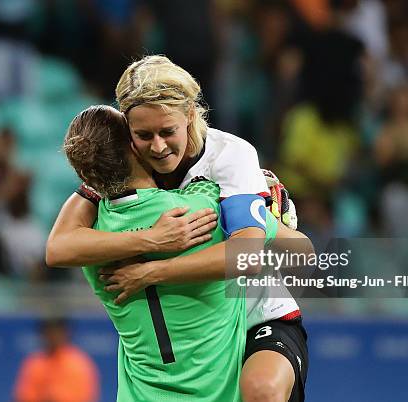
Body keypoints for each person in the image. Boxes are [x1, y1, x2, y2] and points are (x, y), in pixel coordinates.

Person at [47, 55, 308, 402]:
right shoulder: (127, 163)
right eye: (143, 134)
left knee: (261, 391)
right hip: (198, 339)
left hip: (256, 314)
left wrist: (154, 271)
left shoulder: (229, 157)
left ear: (189, 115)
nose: (158, 146)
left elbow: (248, 256)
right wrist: (151, 238)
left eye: (168, 131)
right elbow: (57, 248)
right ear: (127, 131)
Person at [13, 318, 100, 402]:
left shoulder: (79, 363)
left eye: (56, 332)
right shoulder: (34, 363)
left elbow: (84, 397)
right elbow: (23, 396)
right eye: (48, 331)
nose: (52, 336)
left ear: (65, 333)